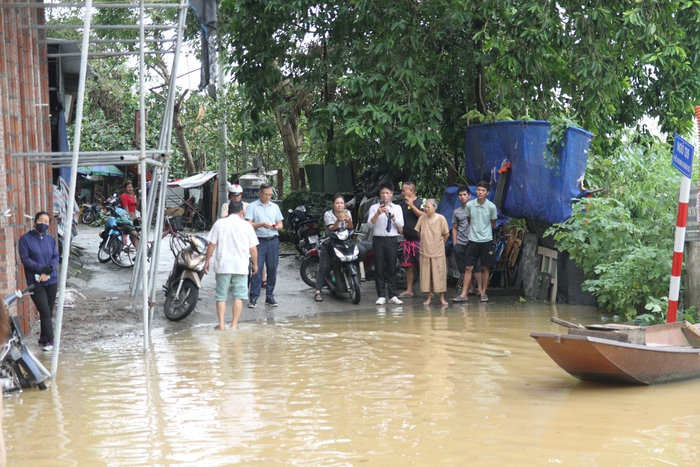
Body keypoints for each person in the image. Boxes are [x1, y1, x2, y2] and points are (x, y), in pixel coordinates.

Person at [204, 201, 259, 330]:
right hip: (240, 266)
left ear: (228, 211)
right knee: (238, 296)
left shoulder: (219, 223)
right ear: (241, 212)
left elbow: (212, 244)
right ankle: (234, 325)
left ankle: (222, 325)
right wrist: (255, 264)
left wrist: (207, 260)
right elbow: (253, 249)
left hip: (223, 265)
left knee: (221, 296)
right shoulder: (247, 226)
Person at [18, 211, 59, 351]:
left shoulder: (51, 239)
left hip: (52, 280)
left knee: (48, 310)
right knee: (45, 311)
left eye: (46, 222)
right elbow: (26, 260)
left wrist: (49, 270)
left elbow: (55, 256)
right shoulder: (25, 239)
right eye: (41, 221)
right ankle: (52, 341)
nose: (43, 224)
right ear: (35, 222)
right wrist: (43, 269)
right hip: (35, 282)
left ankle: (43, 338)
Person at [245, 183, 284, 308]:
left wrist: (275, 227)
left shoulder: (275, 207)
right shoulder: (252, 206)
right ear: (260, 193)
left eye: (270, 195)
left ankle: (270, 296)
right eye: (265, 194)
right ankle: (254, 298)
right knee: (257, 269)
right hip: (258, 241)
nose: (268, 197)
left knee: (272, 269)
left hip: (273, 240)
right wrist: (261, 224)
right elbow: (248, 224)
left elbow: (281, 225)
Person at [459, 181, 498, 303]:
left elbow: (493, 223)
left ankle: (483, 292)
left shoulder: (491, 207)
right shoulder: (470, 205)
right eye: (478, 190)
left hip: (486, 240)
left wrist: (484, 232)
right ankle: (464, 293)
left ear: (487, 193)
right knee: (468, 267)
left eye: (483, 190)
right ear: (476, 191)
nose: (480, 192)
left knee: (486, 267)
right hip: (473, 240)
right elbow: (469, 219)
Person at [368, 181, 404, 305]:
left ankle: (393, 295)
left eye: (387, 193)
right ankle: (381, 295)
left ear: (392, 194)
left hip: (392, 239)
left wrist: (392, 215)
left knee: (392, 267)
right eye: (382, 193)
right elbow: (369, 224)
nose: (384, 195)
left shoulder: (397, 208)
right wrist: (378, 213)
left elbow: (401, 225)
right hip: (378, 239)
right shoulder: (374, 207)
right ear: (380, 194)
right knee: (378, 267)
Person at [314, 194, 354, 302]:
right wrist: (338, 220)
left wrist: (349, 221)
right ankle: (318, 291)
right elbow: (331, 228)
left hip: (343, 241)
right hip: (329, 242)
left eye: (341, 203)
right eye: (337, 203)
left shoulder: (347, 212)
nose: (339, 205)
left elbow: (350, 227)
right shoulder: (328, 214)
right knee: (324, 266)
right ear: (333, 204)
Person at [415, 199, 449, 306]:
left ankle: (442, 298)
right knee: (425, 275)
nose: (426, 209)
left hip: (438, 250)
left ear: (434, 207)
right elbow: (418, 232)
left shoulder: (441, 218)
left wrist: (440, 243)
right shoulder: (421, 218)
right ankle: (428, 297)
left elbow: (446, 234)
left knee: (440, 274)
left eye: (428, 207)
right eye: (425, 207)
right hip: (425, 250)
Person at [452, 186, 483, 302]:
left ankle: (480, 289)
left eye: (464, 194)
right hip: (461, 242)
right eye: (460, 195)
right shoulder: (456, 212)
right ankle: (471, 288)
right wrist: (455, 242)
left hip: (474, 241)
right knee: (464, 268)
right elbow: (455, 228)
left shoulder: (477, 209)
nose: (462, 197)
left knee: (477, 266)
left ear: (469, 196)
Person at [398, 181, 425, 298]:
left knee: (423, 267)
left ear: (411, 191)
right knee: (409, 267)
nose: (402, 193)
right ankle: (409, 290)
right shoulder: (401, 205)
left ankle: (427, 291)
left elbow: (424, 216)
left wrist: (412, 205)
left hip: (421, 240)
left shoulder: (422, 202)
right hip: (407, 239)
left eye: (404, 190)